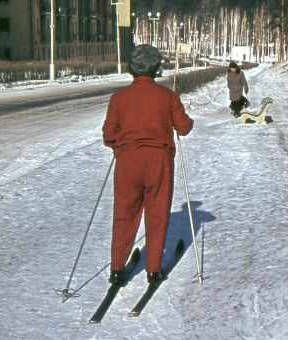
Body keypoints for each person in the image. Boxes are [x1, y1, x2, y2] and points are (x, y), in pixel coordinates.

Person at [102, 45, 194, 285]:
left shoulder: (119, 98)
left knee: (124, 214)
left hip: (128, 162)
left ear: (131, 68)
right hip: (158, 162)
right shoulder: (167, 97)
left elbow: (109, 135)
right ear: (156, 68)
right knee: (157, 214)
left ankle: (116, 268)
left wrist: (122, 147)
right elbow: (184, 127)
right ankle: (153, 269)